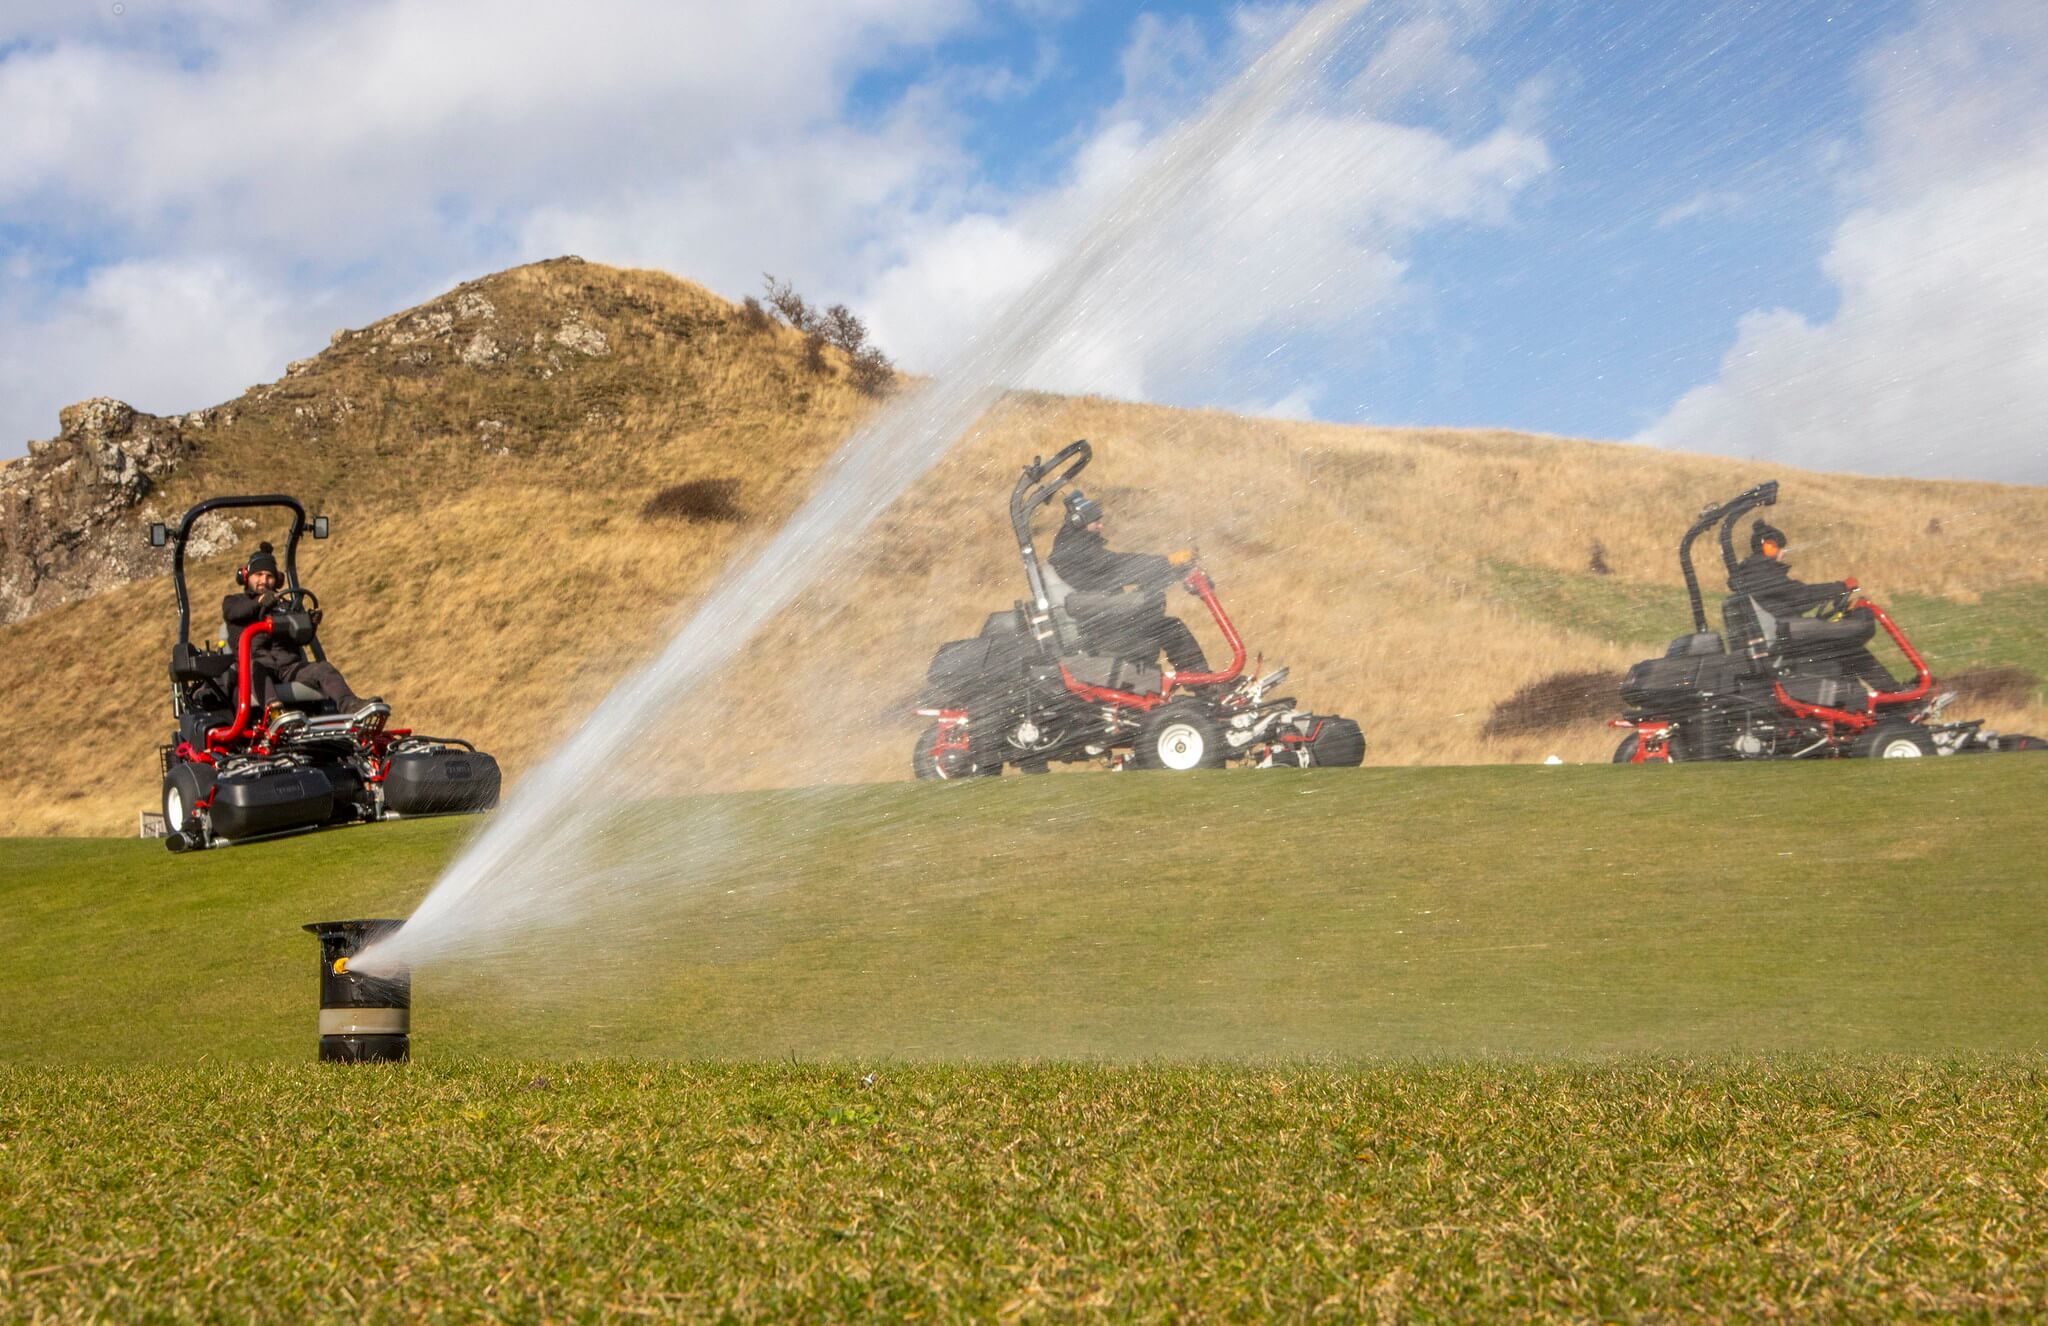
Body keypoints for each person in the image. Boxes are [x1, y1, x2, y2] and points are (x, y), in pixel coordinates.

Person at [1048, 490, 1210, 674]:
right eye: (1096, 522)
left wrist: (1167, 572)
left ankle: (1207, 685)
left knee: (1168, 625)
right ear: (1078, 522)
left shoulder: (1074, 546)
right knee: (1170, 628)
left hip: (1105, 621)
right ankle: (1208, 687)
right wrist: (1168, 563)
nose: (1101, 526)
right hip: (1104, 631)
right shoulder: (1077, 551)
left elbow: (1118, 569)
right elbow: (1122, 566)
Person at [1728, 520, 1898, 692]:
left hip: (1781, 640)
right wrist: (1840, 587)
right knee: (1849, 648)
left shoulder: (1753, 574)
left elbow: (1794, 601)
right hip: (1783, 642)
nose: (1783, 553)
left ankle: (1875, 699)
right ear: (1769, 547)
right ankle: (1893, 697)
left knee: (1841, 651)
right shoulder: (1762, 574)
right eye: (1780, 548)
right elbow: (1801, 596)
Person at [222, 542, 380, 713]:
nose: (264, 581)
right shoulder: (234, 601)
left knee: (323, 668)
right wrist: (259, 602)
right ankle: (275, 713)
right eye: (258, 575)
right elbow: (235, 612)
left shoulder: (286, 606)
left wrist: (309, 624)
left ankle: (351, 706)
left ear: (277, 580)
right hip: (256, 666)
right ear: (246, 577)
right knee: (255, 667)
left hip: (288, 667)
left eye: (269, 576)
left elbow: (302, 639)